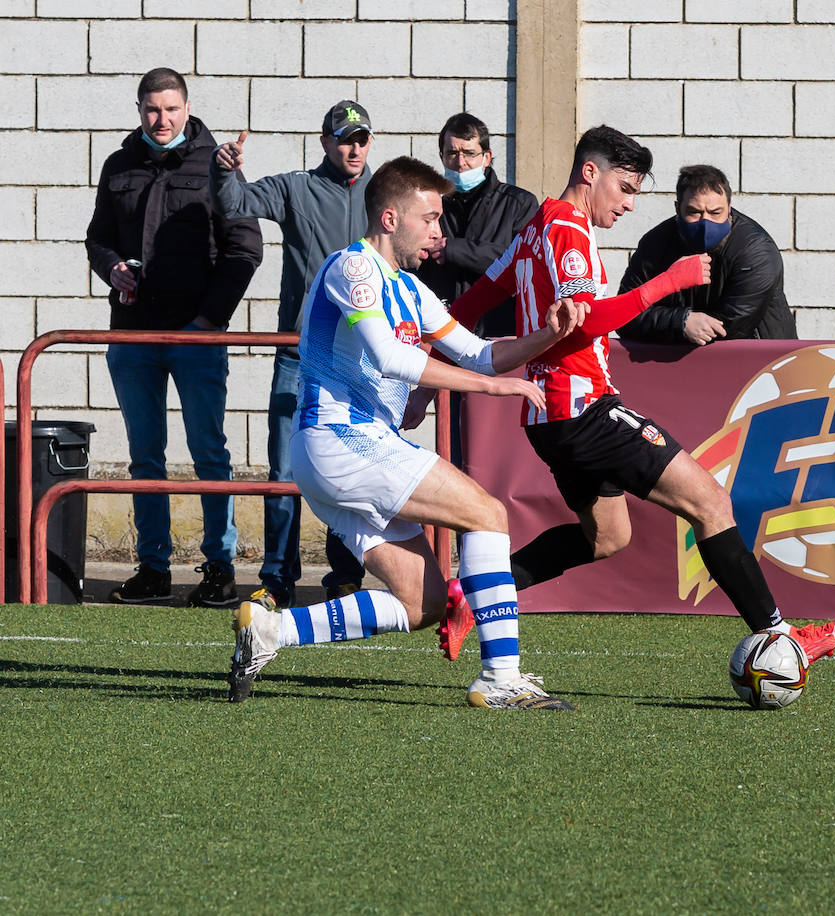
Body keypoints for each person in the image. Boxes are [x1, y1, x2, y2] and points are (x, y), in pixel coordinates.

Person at [440, 125, 835, 664]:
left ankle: (473, 595)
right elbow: (584, 327)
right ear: (590, 174)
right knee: (710, 502)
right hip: (584, 408)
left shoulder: (534, 226)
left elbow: (471, 303)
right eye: (626, 188)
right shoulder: (568, 229)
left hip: (547, 419)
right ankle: (780, 634)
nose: (631, 204)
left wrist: (429, 362)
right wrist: (668, 282)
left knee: (606, 538)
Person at [228, 156, 583, 710]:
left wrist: (545, 336)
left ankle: (272, 632)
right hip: (342, 441)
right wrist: (492, 390)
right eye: (432, 217)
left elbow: (481, 354)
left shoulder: (412, 290)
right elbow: (388, 355)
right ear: (390, 218)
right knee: (487, 513)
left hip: (354, 450)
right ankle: (502, 678)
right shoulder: (354, 268)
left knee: (424, 604)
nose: (440, 231)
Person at [85, 67, 263, 607]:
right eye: (151, 110)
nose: (161, 120)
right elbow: (97, 239)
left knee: (209, 451)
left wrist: (209, 322)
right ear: (139, 110)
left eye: (170, 109)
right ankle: (153, 567)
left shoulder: (217, 165)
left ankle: (219, 567)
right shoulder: (119, 165)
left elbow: (245, 249)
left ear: (187, 108)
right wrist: (113, 268)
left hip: (197, 337)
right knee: (145, 455)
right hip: (134, 334)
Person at [210, 99, 376, 608]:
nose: (354, 147)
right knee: (285, 471)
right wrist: (224, 171)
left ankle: (345, 576)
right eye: (344, 138)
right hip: (299, 354)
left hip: (363, 357)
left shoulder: (384, 192)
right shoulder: (295, 186)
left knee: (349, 469)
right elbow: (236, 204)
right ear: (325, 142)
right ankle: (277, 580)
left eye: (362, 138)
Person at [616, 164, 796, 345]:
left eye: (716, 212)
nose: (706, 222)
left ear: (729, 208)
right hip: (676, 365)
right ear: (678, 209)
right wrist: (681, 322)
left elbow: (731, 326)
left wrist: (678, 323)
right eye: (694, 212)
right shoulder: (655, 244)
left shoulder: (756, 251)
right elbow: (624, 314)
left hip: (760, 363)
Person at [417, 112, 539, 337]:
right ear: (442, 157)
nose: (460, 163)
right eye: (452, 153)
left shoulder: (519, 203)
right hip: (443, 334)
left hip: (499, 333)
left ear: (487, 157)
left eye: (469, 153)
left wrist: (454, 250)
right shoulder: (431, 205)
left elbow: (523, 262)